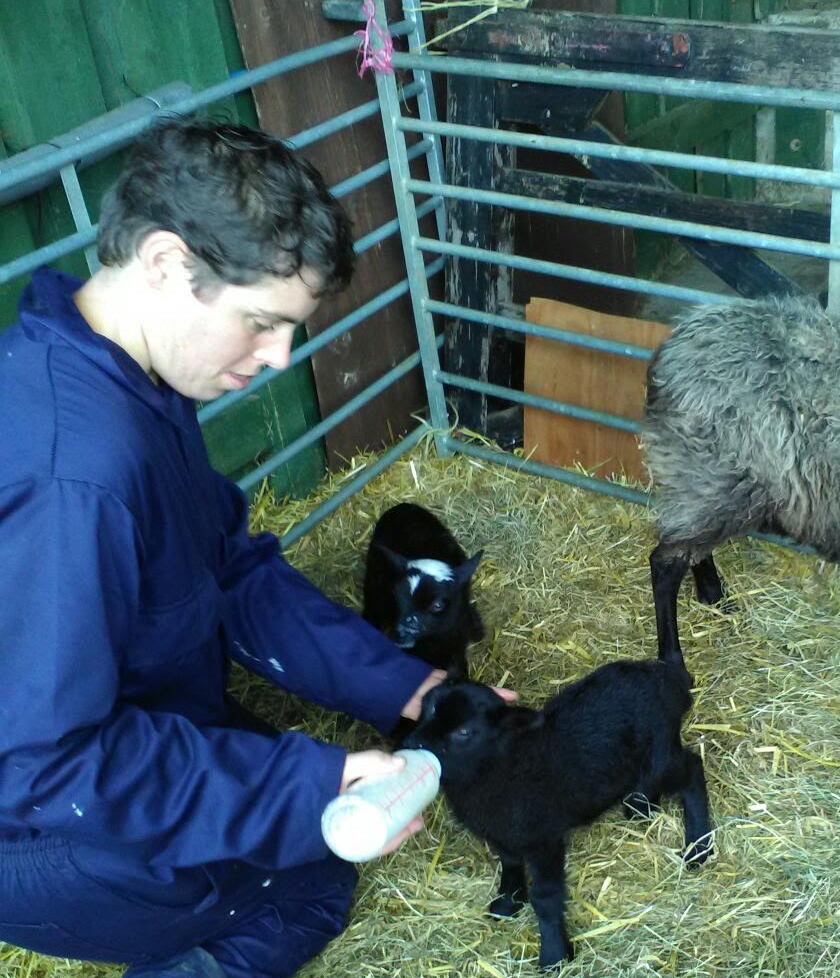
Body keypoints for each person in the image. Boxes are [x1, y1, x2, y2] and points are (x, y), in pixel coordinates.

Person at [0, 118, 502, 978]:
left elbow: (229, 572)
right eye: (262, 322)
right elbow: (45, 765)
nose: (278, 358)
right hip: (36, 825)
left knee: (290, 793)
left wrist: (404, 686)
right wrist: (305, 791)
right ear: (166, 263)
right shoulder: (74, 475)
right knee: (312, 879)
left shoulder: (129, 385)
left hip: (105, 731)